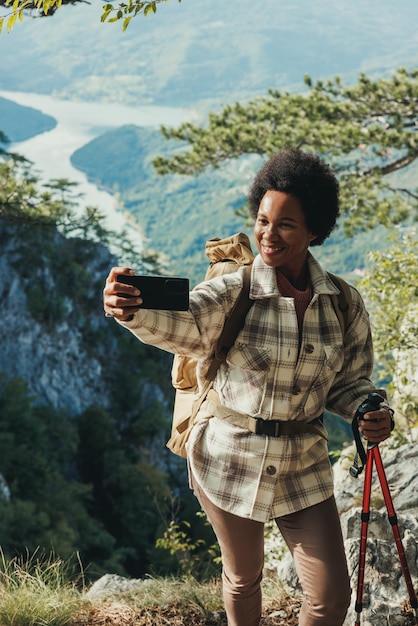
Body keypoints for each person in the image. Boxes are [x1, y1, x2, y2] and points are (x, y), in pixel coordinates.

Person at [103, 147, 394, 626]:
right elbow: (184, 324)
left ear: (314, 231)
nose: (267, 233)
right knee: (244, 579)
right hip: (227, 458)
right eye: (262, 219)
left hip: (304, 461)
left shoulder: (343, 303)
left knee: (329, 599)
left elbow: (350, 381)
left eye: (285, 224)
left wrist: (368, 409)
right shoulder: (234, 290)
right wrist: (130, 309)